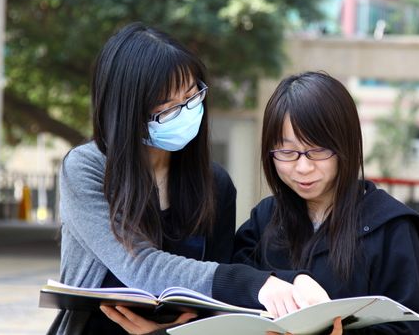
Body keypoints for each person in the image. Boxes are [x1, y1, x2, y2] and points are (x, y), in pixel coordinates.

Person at [47, 23, 328, 335]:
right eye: (167, 108)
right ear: (126, 111)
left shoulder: (215, 184)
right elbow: (140, 266)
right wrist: (255, 284)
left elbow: (215, 306)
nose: (184, 112)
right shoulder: (88, 168)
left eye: (192, 96)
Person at [233, 71, 419, 335]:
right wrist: (283, 283)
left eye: (318, 150)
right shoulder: (265, 219)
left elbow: (408, 329)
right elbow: (232, 288)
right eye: (287, 152)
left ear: (346, 146)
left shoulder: (391, 228)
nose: (303, 167)